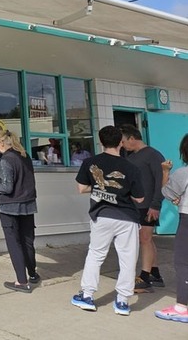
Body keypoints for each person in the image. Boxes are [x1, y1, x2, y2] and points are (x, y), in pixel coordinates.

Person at [72, 125, 144, 316]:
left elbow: (81, 188)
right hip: (127, 218)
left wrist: (100, 189)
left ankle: (87, 296)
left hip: (101, 215)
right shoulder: (131, 167)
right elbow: (139, 199)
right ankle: (122, 302)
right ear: (121, 141)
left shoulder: (90, 162)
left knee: (96, 254)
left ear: (100, 141)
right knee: (128, 258)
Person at [0, 129, 39, 291]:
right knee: (27, 240)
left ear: (2, 143)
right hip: (28, 203)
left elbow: (6, 187)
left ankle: (21, 282)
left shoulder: (6, 160)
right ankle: (32, 274)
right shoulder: (25, 157)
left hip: (10, 206)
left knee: (14, 243)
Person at [120, 124, 167, 293]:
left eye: (124, 141)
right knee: (146, 239)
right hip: (134, 205)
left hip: (148, 206)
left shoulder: (153, 155)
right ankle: (155, 273)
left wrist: (156, 204)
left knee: (145, 239)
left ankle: (145, 277)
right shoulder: (129, 155)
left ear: (132, 138)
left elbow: (162, 181)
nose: (123, 145)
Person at [154, 134, 188, 323]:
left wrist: (166, 172)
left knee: (183, 262)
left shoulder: (184, 173)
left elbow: (167, 192)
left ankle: (182, 307)